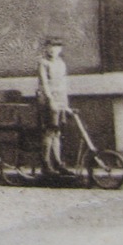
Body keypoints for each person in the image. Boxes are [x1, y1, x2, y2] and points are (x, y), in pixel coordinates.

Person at [36, 38, 71, 176]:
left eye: (56, 47)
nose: (52, 50)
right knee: (49, 132)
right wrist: (50, 101)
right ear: (46, 48)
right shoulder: (42, 63)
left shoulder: (61, 63)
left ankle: (58, 163)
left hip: (60, 99)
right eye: (50, 47)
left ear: (60, 49)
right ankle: (45, 164)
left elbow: (64, 84)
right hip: (47, 99)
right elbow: (44, 84)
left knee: (57, 133)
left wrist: (65, 104)